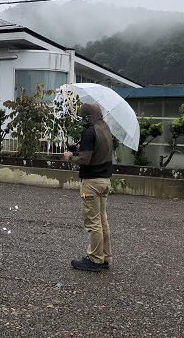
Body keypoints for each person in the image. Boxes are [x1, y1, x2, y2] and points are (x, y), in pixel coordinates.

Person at [64, 102, 113, 272]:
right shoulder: (104, 127)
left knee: (92, 223)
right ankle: (105, 256)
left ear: (87, 116)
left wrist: (70, 157)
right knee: (102, 220)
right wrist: (80, 147)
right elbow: (95, 150)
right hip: (105, 181)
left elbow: (84, 160)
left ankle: (95, 259)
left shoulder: (89, 132)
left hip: (91, 183)